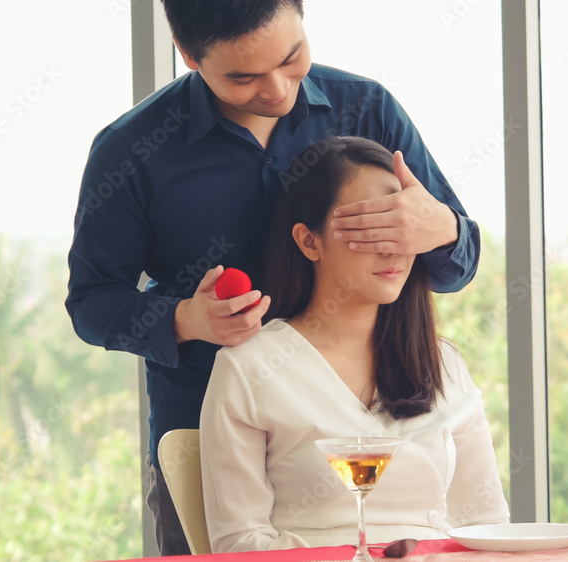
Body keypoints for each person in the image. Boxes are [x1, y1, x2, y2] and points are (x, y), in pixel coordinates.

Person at [65, 0, 481, 555]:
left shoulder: (368, 109)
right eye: (243, 77)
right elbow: (91, 303)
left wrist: (444, 227)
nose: (279, 91)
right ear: (189, 55)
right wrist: (185, 318)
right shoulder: (132, 151)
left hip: (374, 425)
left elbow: (458, 263)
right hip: (209, 436)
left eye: (292, 58)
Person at [199, 137, 508, 553]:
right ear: (310, 241)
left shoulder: (444, 365)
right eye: (367, 226)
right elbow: (239, 544)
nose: (390, 246)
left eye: (400, 225)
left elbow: (486, 524)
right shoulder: (250, 368)